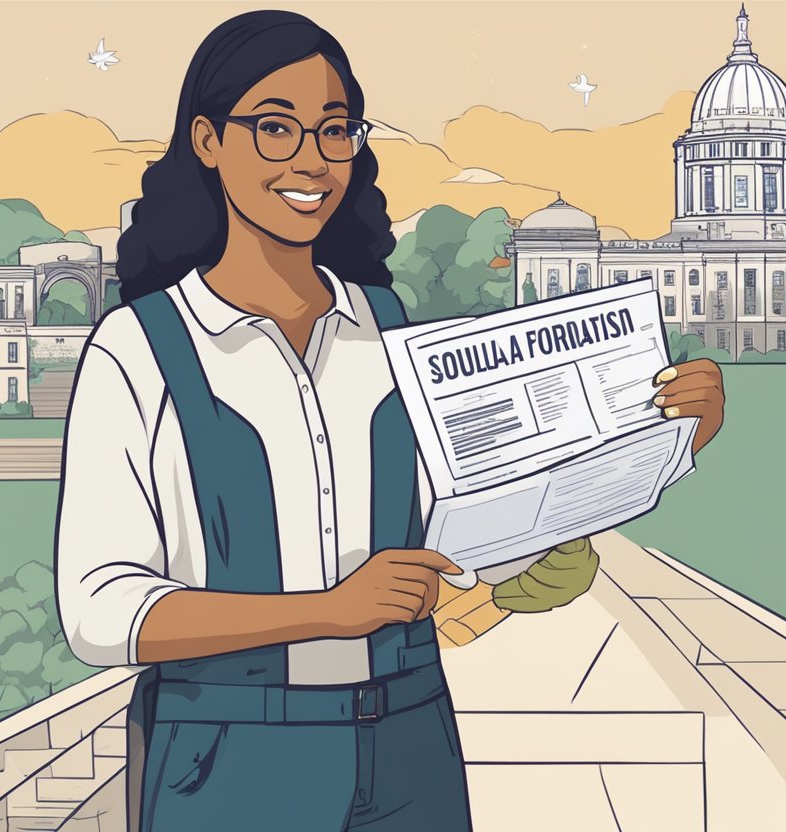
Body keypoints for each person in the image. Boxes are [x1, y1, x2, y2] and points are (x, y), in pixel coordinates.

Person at [54, 10, 725, 832]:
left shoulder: (390, 329)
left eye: (335, 131)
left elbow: (469, 530)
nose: (312, 161)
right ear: (205, 139)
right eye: (275, 128)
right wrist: (326, 609)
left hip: (411, 741)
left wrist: (662, 437)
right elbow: (98, 610)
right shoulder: (140, 348)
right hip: (227, 754)